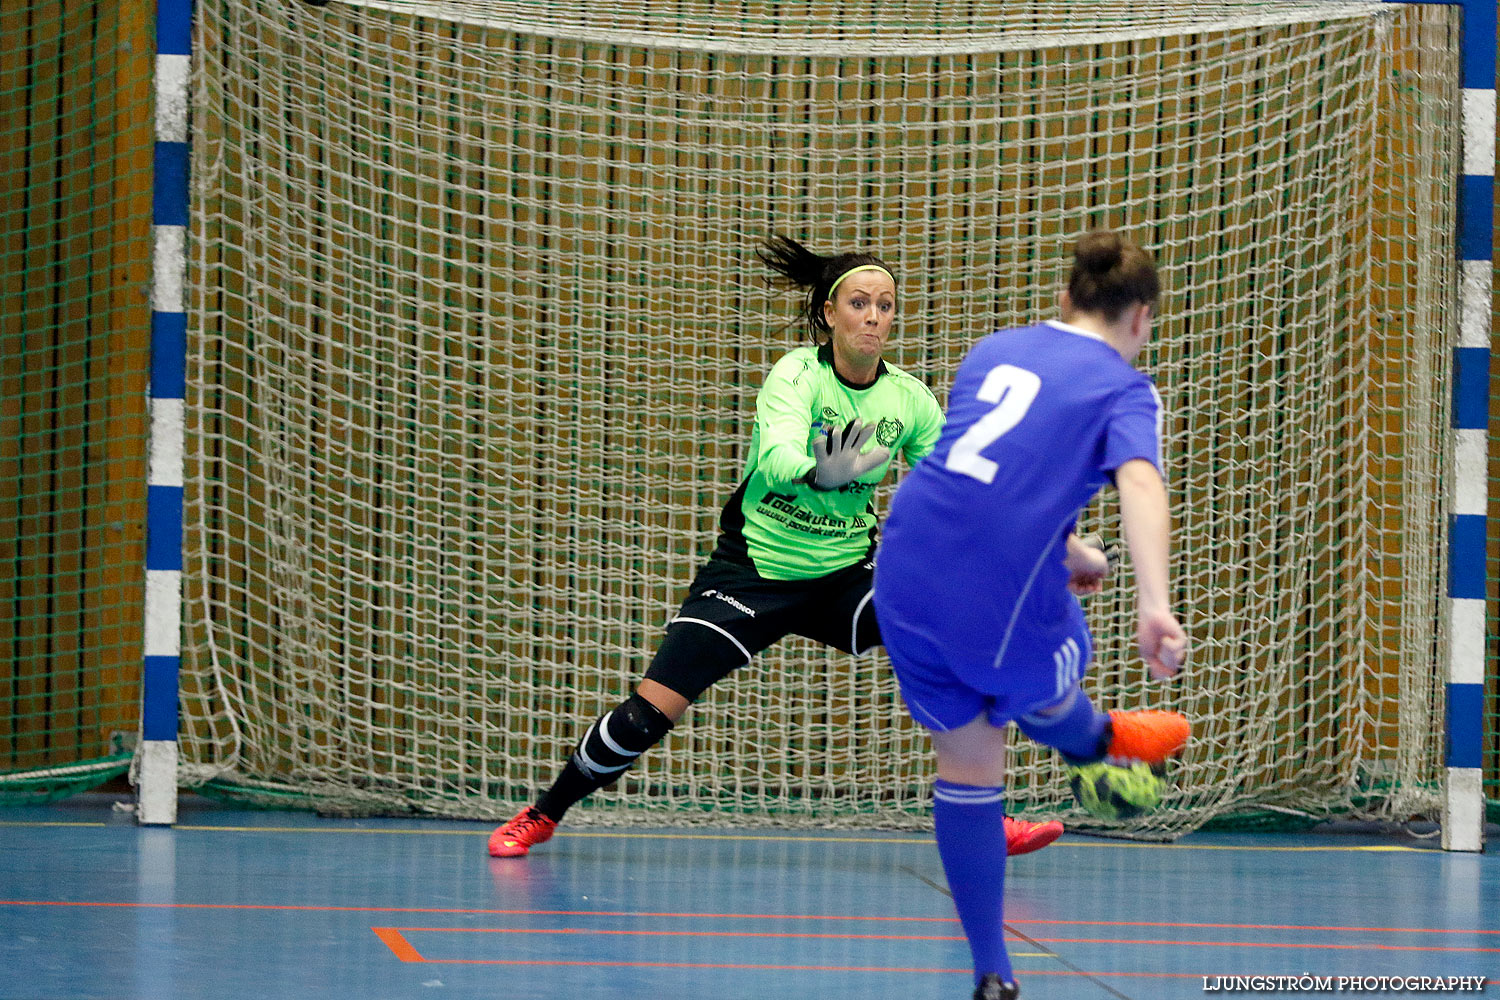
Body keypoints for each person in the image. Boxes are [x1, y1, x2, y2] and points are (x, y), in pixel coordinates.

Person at [489, 235, 1067, 860]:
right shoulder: (795, 374)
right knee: (645, 716)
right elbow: (779, 454)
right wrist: (822, 473)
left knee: (957, 640)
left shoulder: (911, 401)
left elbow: (952, 493)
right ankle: (543, 814)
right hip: (754, 572)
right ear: (830, 313)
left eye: (886, 305)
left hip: (848, 572)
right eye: (859, 304)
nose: (874, 317)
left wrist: (1019, 536)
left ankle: (987, 817)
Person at [872, 230, 1192, 1000]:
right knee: (1052, 668)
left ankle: (994, 976)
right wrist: (1155, 604)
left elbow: (991, 475)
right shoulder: (1124, 387)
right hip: (992, 598)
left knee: (971, 767)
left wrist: (1069, 548)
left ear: (1063, 300)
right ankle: (1098, 745)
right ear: (1142, 319)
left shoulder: (995, 349)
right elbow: (1141, 486)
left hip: (903, 572)